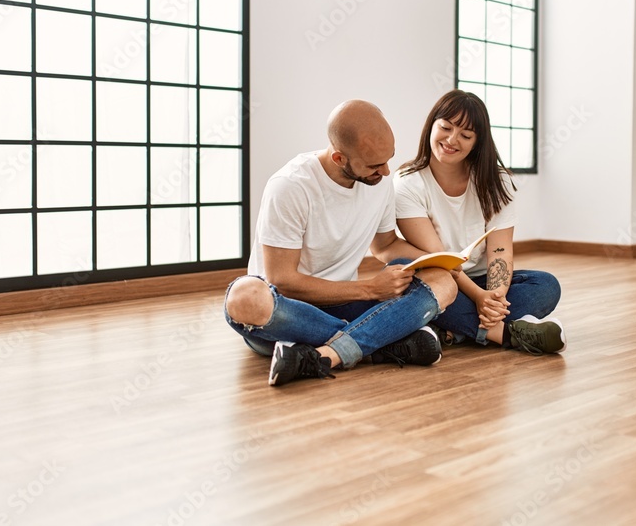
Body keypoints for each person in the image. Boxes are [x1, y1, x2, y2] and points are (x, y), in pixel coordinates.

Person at [224, 100, 458, 386]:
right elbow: (282, 280)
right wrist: (369, 289)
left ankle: (324, 355)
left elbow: (385, 246)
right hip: (289, 313)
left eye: (389, 159)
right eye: (374, 165)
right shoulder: (290, 186)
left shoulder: (378, 181)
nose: (385, 172)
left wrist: (439, 258)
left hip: (343, 303)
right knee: (244, 297)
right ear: (339, 159)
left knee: (443, 281)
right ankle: (382, 340)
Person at [395, 90, 564, 354]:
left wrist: (493, 298)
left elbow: (500, 250)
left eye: (465, 135)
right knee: (409, 282)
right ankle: (505, 334)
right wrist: (478, 298)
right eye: (446, 127)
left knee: (546, 286)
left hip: (482, 280)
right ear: (431, 125)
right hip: (441, 277)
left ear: (477, 141)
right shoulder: (407, 182)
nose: (452, 140)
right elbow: (440, 257)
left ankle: (454, 331)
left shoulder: (497, 181)